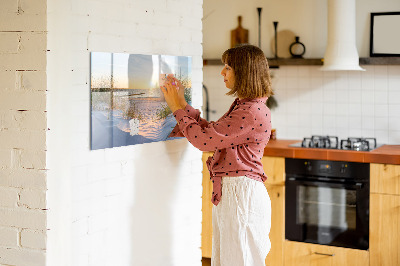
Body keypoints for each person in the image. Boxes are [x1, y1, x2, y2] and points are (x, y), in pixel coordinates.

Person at [161, 44, 273, 266]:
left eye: (228, 67)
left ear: (244, 72)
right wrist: (183, 104)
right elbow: (212, 133)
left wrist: (176, 107)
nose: (222, 72)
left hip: (241, 195)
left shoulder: (250, 111)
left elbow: (204, 141)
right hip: (236, 193)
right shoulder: (246, 106)